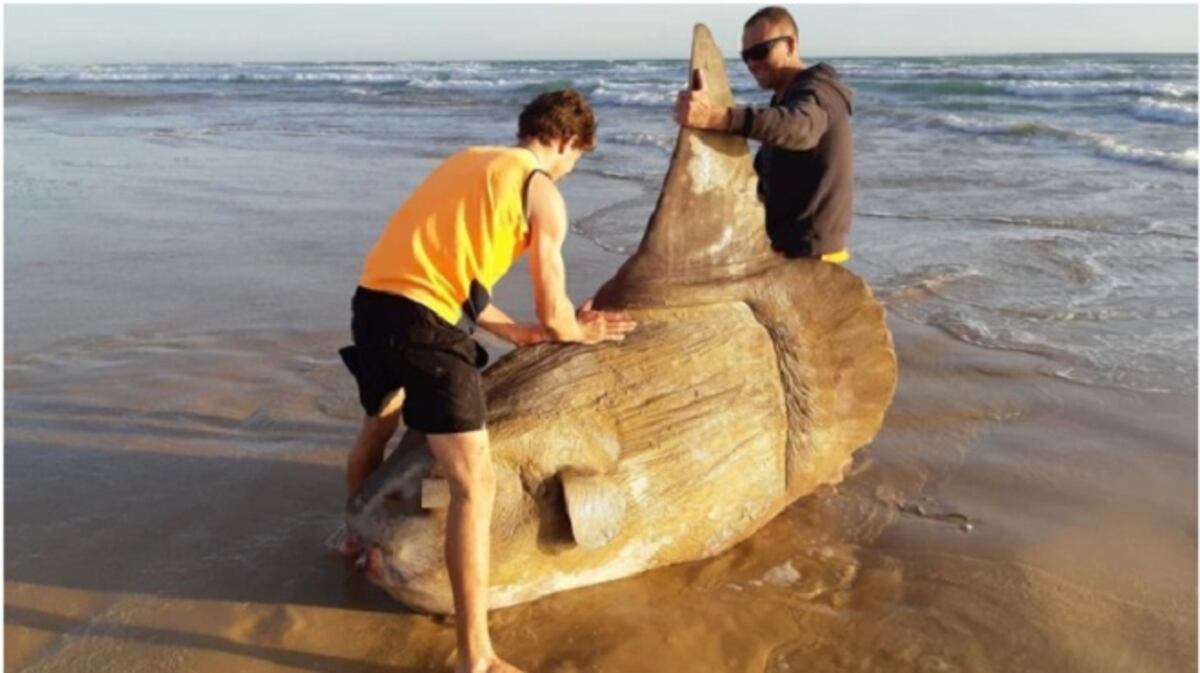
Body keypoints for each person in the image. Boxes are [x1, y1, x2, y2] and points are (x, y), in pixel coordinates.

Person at [338, 89, 636, 673]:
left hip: (373, 304)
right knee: (476, 487)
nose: (571, 171)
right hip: (425, 324)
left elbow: (460, 279)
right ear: (568, 142)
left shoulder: (468, 161)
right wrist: (580, 332)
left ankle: (352, 538)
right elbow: (558, 313)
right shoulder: (540, 190)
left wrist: (517, 333)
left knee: (376, 429)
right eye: (577, 159)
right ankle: (476, 656)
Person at [675, 5, 856, 263]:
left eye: (760, 51)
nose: (752, 63)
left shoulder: (818, 92)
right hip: (787, 253)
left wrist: (717, 117)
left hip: (816, 262)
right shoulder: (783, 101)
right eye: (746, 55)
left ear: (791, 45)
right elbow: (761, 181)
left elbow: (799, 128)